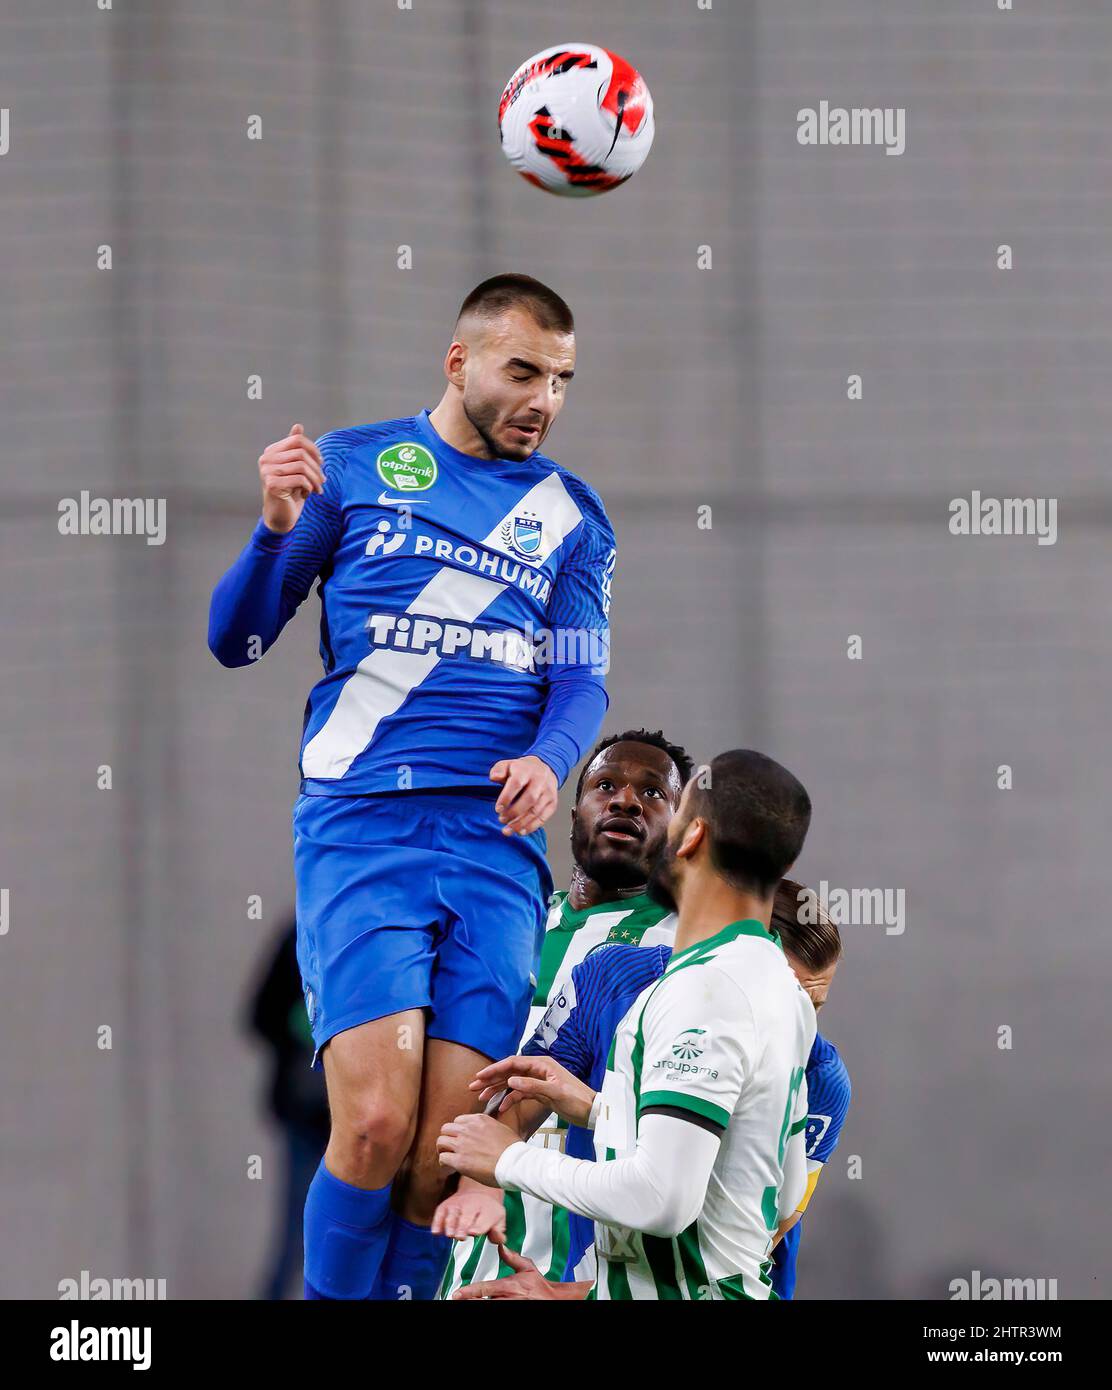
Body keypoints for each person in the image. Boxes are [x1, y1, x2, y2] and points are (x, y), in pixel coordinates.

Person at [208, 273, 616, 1300]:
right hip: (365, 833)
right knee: (376, 1123)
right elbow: (237, 638)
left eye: (562, 380)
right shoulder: (350, 468)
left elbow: (579, 674)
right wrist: (271, 527)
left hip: (491, 847)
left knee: (441, 1153)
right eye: (522, 370)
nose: (543, 399)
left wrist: (547, 760)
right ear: (459, 361)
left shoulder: (571, 516)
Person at [437, 749, 816, 1299]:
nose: (631, 808)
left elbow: (661, 1199)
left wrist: (507, 1159)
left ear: (690, 837)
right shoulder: (779, 987)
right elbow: (781, 1190)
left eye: (672, 805)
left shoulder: (704, 990)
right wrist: (597, 1109)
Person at [437, 728, 692, 1299]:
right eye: (605, 785)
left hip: (588, 1277)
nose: (625, 800)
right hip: (461, 1252)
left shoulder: (686, 958)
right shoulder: (502, 931)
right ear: (574, 811)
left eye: (654, 794)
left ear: (683, 831)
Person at [245, 919, 329, 1300]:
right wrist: (306, 1028)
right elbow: (260, 1017)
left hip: (365, 1117)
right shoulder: (298, 938)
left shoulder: (380, 935)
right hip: (310, 1116)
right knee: (298, 1231)